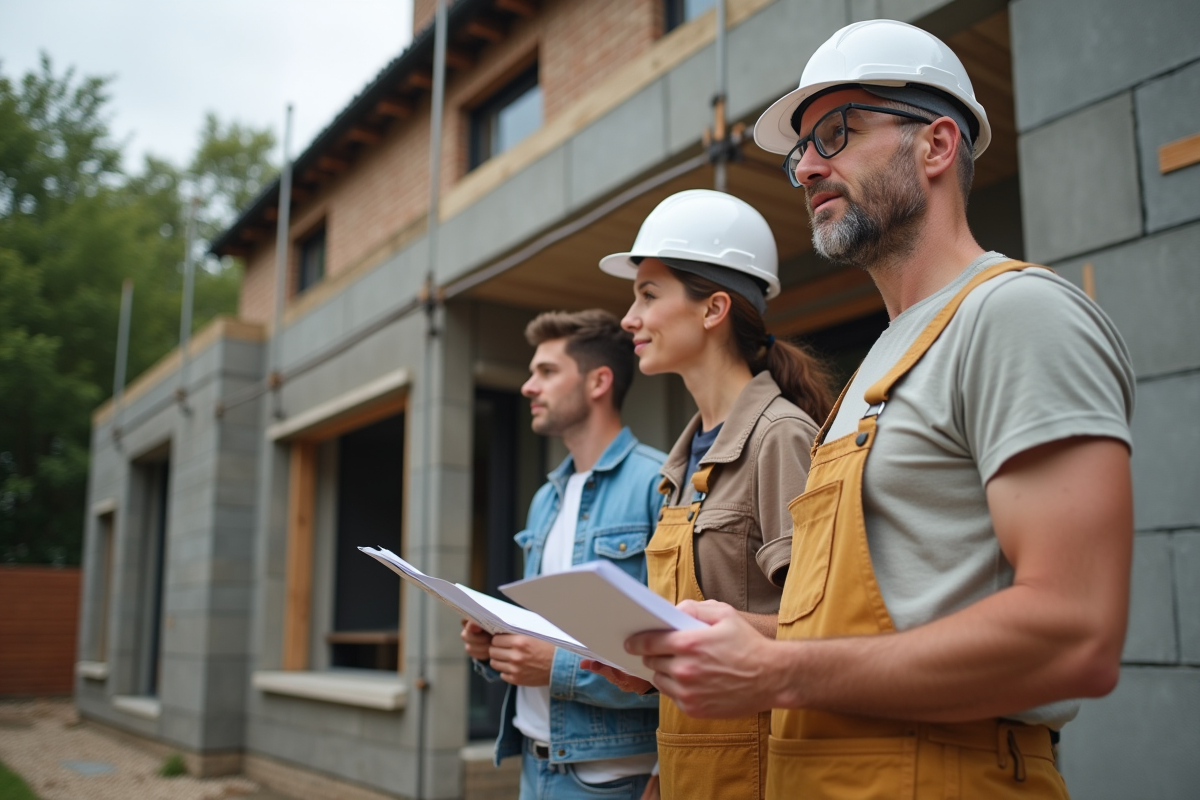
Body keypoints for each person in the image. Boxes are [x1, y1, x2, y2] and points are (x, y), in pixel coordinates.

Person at [624, 19, 1136, 800]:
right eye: (803, 149)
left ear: (934, 146)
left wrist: (779, 669)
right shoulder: (879, 368)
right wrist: (688, 645)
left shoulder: (1016, 314)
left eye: (837, 130)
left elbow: (1075, 636)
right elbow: (843, 633)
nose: (807, 169)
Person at [585, 189, 834, 800]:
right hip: (686, 772)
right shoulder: (683, 461)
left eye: (648, 295)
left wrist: (703, 635)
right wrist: (647, 672)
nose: (629, 319)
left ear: (713, 308)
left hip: (760, 778)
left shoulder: (779, 438)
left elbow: (827, 632)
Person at [461, 309, 664, 800]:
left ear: (599, 381)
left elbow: (673, 656)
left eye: (546, 372)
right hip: (534, 767)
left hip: (612, 779)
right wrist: (497, 644)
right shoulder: (545, 498)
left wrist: (554, 666)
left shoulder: (659, 484)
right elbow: (546, 636)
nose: (529, 387)